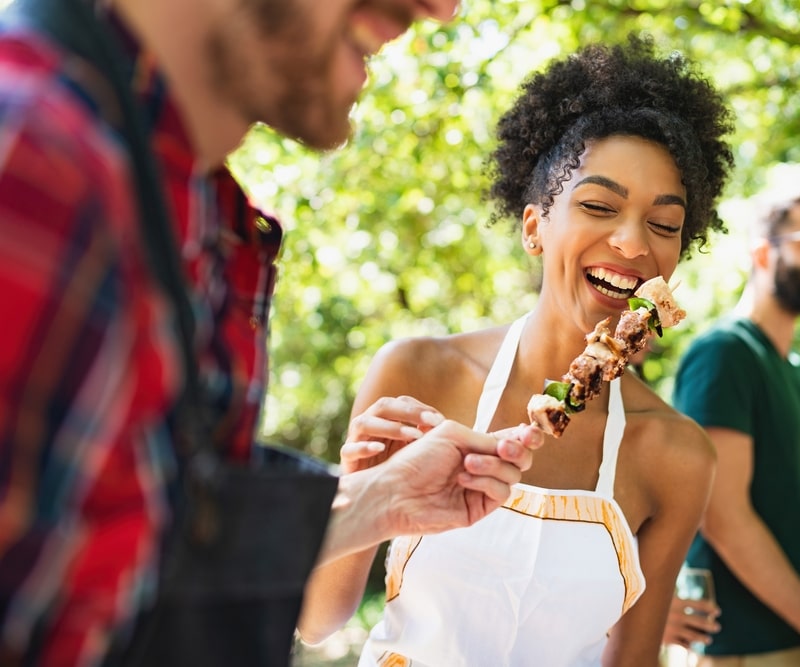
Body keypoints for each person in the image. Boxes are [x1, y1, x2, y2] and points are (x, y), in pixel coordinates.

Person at [0, 0, 546, 663]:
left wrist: (379, 499)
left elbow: (123, 571)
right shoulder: (29, 167)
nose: (442, 8)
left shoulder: (203, 214)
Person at [297, 36, 733, 665]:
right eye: (599, 206)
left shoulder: (679, 455)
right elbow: (316, 623)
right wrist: (364, 486)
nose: (634, 243)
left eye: (664, 224)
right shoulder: (415, 374)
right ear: (535, 227)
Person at [669, 189, 800, 666]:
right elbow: (722, 515)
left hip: (794, 636)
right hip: (741, 647)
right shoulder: (726, 354)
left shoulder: (792, 366)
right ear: (763, 252)